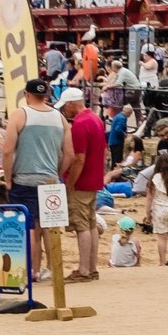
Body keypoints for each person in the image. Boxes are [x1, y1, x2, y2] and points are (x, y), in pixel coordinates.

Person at [0, 76, 72, 260]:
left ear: (26, 94)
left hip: (24, 179)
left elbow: (7, 151)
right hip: (50, 179)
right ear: (45, 95)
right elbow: (69, 154)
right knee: (50, 227)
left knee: (29, 227)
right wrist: (56, 173)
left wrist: (7, 179)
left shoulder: (19, 115)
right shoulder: (60, 118)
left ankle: (33, 269)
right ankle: (52, 268)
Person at [58, 86, 107, 280]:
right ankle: (91, 267)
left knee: (81, 225)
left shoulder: (80, 124)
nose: (64, 110)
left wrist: (71, 181)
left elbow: (79, 158)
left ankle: (84, 269)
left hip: (82, 181)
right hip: (94, 179)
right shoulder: (95, 119)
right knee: (90, 222)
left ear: (71, 104)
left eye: (65, 106)